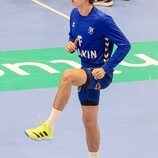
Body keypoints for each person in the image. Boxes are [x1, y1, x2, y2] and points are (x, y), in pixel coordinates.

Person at [25, 0, 131, 157]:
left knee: (67, 76)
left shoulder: (103, 20)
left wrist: (106, 68)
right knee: (89, 122)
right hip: (85, 70)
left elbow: (125, 45)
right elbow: (73, 36)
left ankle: (48, 127)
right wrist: (70, 44)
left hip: (100, 74)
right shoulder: (74, 14)